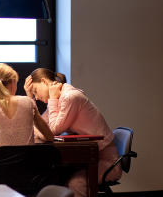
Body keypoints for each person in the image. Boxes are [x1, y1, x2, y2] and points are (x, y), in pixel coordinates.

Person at [24, 68, 122, 197]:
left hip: (105, 162)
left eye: (35, 92)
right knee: (51, 176)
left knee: (75, 183)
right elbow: (40, 126)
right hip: (88, 158)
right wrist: (29, 97)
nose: (36, 97)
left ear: (44, 81)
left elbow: (52, 130)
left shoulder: (70, 97)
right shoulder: (59, 97)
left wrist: (52, 99)